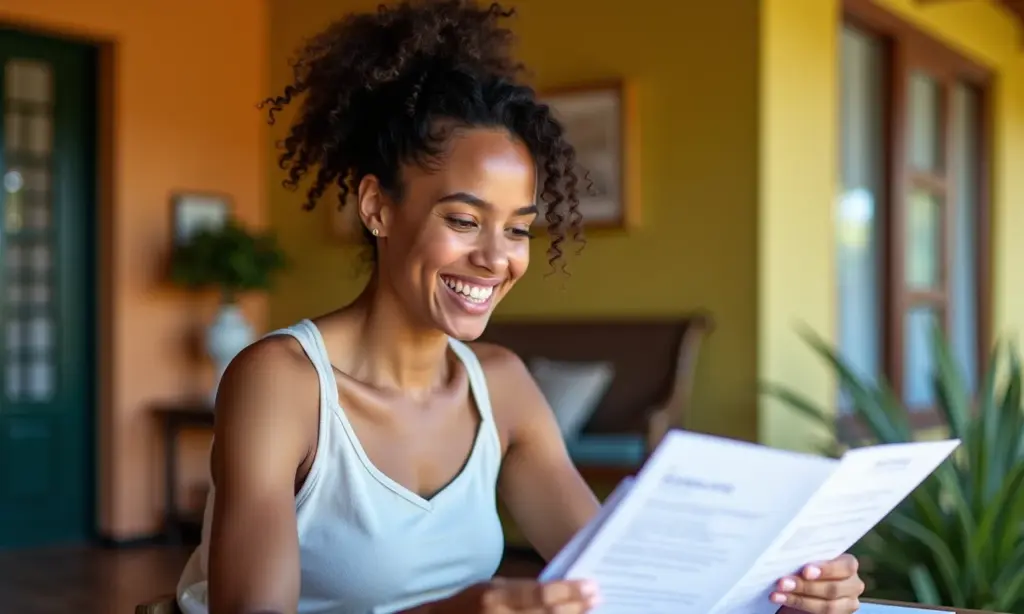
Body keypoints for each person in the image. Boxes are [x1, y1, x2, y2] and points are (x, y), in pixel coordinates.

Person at [176, 1, 867, 613]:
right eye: (464, 219)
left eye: (516, 229)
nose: (496, 258)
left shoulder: (500, 386)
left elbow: (617, 584)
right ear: (377, 207)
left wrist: (783, 592)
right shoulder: (282, 384)